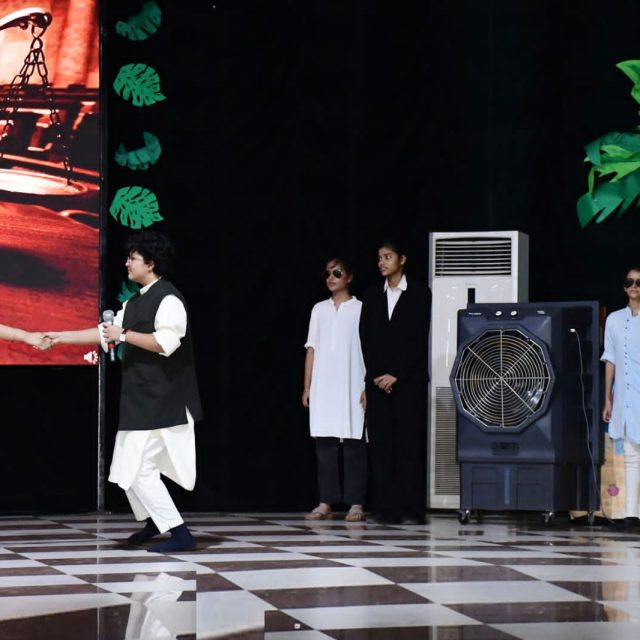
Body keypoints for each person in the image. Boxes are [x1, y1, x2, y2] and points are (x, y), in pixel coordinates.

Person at [46, 230, 203, 552]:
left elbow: (165, 343)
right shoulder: (133, 302)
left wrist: (124, 334)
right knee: (125, 469)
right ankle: (155, 521)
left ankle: (179, 533)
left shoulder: (169, 299)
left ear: (151, 263)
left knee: (139, 470)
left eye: (133, 258)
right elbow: (105, 333)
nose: (127, 263)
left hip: (166, 402)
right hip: (141, 401)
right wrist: (59, 337)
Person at [359, 240, 430, 524]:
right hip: (378, 383)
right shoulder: (372, 294)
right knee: (381, 447)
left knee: (409, 446)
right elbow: (366, 338)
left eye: (387, 257)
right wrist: (378, 375)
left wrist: (396, 374)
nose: (382, 262)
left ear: (402, 259)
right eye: (379, 258)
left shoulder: (420, 292)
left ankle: (411, 508)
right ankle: (385, 508)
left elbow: (418, 337)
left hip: (409, 382)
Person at [302, 258, 367, 521]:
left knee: (354, 444)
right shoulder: (319, 309)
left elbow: (369, 348)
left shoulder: (361, 308)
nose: (331, 277)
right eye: (328, 273)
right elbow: (312, 348)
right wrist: (307, 386)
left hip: (352, 382)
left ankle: (356, 503)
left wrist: (367, 385)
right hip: (324, 385)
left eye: (337, 272)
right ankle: (326, 501)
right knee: (325, 445)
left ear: (349, 277)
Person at [602, 267, 640, 531]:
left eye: (639, 282)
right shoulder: (614, 319)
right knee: (630, 455)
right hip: (624, 396)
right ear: (624, 287)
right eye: (630, 282)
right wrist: (608, 398)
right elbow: (610, 359)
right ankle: (631, 514)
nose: (635, 286)